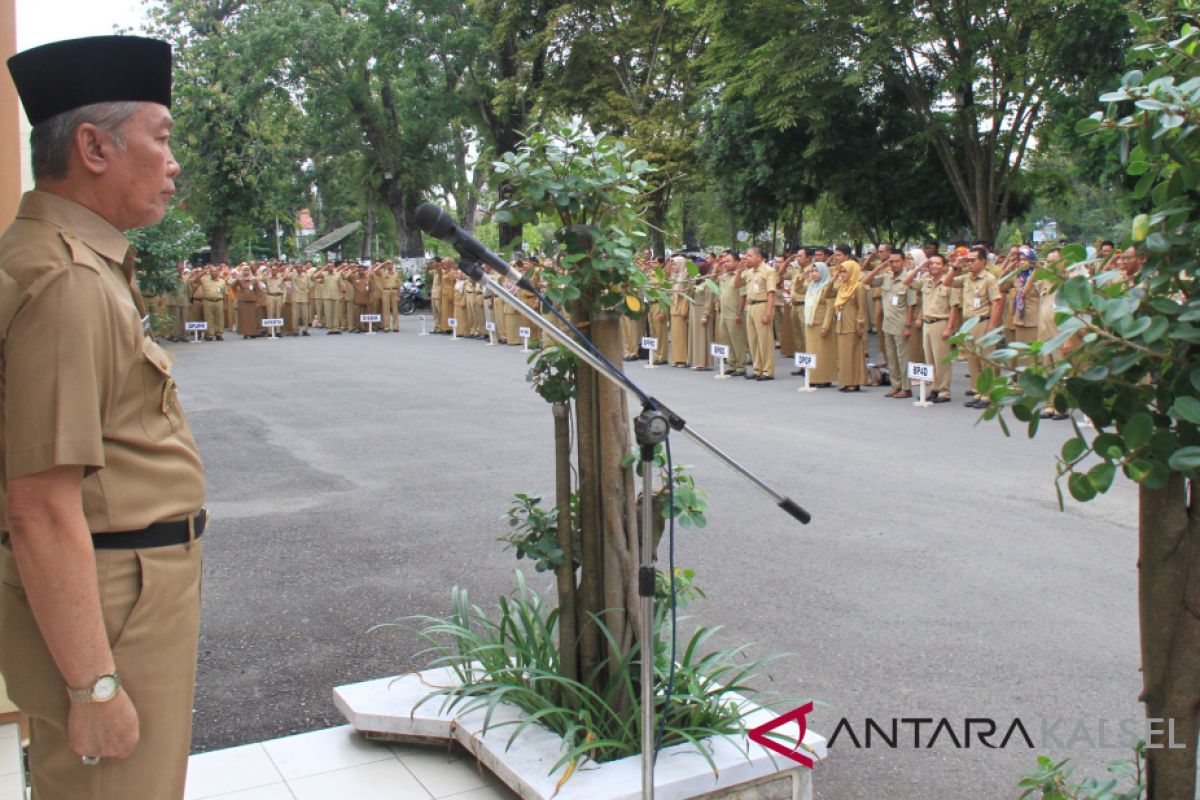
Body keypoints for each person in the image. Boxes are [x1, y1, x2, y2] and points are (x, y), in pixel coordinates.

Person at [0, 35, 208, 800]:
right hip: (115, 595)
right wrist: (93, 688)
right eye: (160, 137)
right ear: (93, 146)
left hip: (121, 581)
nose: (173, 161)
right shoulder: (67, 282)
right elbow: (42, 507)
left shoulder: (65, 261)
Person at [825, 251, 868, 391]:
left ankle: (853, 382)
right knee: (843, 355)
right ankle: (846, 380)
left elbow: (861, 309)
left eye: (844, 271)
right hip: (841, 324)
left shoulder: (858, 287)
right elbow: (827, 293)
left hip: (852, 325)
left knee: (852, 355)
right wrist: (834, 279)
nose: (842, 274)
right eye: (840, 271)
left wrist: (860, 326)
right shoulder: (842, 286)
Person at [803, 260, 837, 386]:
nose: (814, 273)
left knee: (823, 352)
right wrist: (806, 274)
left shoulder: (828, 286)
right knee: (812, 351)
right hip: (810, 322)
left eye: (816, 271)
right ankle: (813, 377)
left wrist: (826, 326)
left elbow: (830, 308)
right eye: (812, 271)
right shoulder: (812, 285)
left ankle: (825, 378)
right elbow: (798, 287)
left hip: (821, 323)